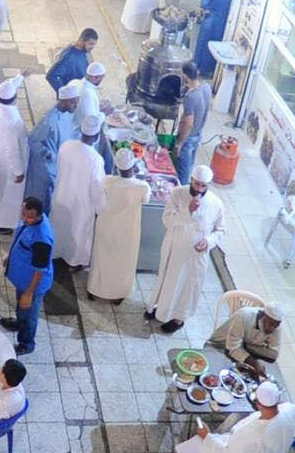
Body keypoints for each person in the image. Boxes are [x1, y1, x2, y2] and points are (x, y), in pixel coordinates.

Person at [158, 382, 295, 453]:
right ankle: (214, 436)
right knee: (237, 416)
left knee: (199, 442)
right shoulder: (290, 410)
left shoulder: (254, 434)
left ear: (258, 403)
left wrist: (207, 437)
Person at [147, 169, 226, 332]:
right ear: (191, 179)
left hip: (194, 256)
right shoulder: (178, 193)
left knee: (186, 287)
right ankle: (160, 309)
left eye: (203, 186)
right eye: (196, 184)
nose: (199, 189)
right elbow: (167, 220)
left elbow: (221, 230)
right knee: (168, 281)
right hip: (174, 248)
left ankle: (178, 319)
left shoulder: (216, 203)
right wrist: (187, 211)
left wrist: (209, 241)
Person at [87, 148, 150, 302]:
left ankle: (95, 289)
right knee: (123, 262)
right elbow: (146, 200)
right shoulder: (142, 187)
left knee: (102, 257)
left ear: (117, 167)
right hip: (128, 231)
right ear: (133, 167)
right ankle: (118, 293)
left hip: (106, 226)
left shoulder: (107, 180)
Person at [0, 196, 54, 356]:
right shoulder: (30, 222)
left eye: (30, 217)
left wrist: (29, 293)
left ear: (40, 215)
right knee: (21, 307)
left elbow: (40, 269)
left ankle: (26, 343)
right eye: (24, 214)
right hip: (23, 279)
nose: (25, 219)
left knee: (29, 313)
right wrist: (10, 258)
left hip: (32, 284)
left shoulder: (41, 238)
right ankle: (19, 322)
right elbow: (21, 240)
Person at [48, 113, 107, 268]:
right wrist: (101, 208)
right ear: (96, 136)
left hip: (61, 195)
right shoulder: (95, 159)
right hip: (81, 205)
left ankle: (55, 253)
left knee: (60, 228)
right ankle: (74, 263)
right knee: (78, 234)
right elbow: (97, 187)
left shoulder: (66, 146)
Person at [23, 83, 78, 212]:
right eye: (72, 103)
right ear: (63, 101)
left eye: (76, 102)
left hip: (58, 163)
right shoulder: (49, 120)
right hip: (46, 168)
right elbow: (33, 140)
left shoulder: (67, 115)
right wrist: (49, 154)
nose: (75, 106)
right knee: (41, 200)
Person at [0, 77, 27, 230]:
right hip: (7, 164)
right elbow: (12, 150)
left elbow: (6, 89)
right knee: (6, 195)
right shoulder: (12, 120)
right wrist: (18, 171)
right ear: (15, 98)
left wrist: (20, 77)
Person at [171, 61, 212, 183]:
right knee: (189, 169)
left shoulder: (190, 97)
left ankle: (181, 195)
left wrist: (179, 143)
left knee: (182, 175)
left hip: (188, 140)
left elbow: (188, 123)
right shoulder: (206, 88)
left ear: (185, 77)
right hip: (198, 135)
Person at [192, 0, 235, 75]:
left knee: (204, 45)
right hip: (224, 21)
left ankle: (199, 69)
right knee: (216, 45)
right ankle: (211, 70)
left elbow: (204, 4)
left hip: (211, 21)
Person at [215, 302, 283, 370]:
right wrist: (254, 363)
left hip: (242, 351)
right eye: (271, 324)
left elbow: (273, 354)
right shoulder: (243, 315)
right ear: (262, 315)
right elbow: (232, 348)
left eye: (276, 325)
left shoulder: (276, 327)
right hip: (219, 346)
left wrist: (246, 347)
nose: (272, 329)